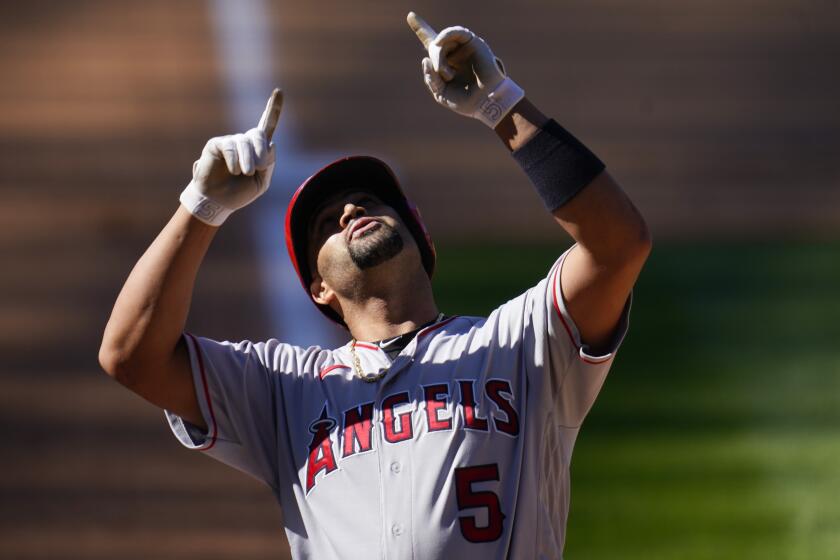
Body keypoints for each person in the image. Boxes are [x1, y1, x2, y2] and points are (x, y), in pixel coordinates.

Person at [99, 12, 651, 559]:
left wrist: (499, 103)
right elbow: (131, 356)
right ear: (319, 289)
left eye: (371, 201)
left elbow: (617, 245)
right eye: (325, 224)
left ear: (421, 240)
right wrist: (202, 207)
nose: (349, 210)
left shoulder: (515, 348)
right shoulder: (282, 391)